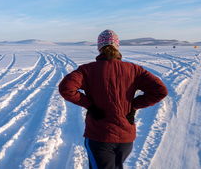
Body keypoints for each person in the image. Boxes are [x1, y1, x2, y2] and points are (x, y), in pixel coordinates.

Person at [59, 30, 168, 169]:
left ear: (99, 48)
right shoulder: (134, 70)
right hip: (126, 139)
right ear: (117, 47)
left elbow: (66, 88)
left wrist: (90, 106)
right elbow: (160, 90)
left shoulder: (87, 70)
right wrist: (133, 106)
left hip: (99, 136)